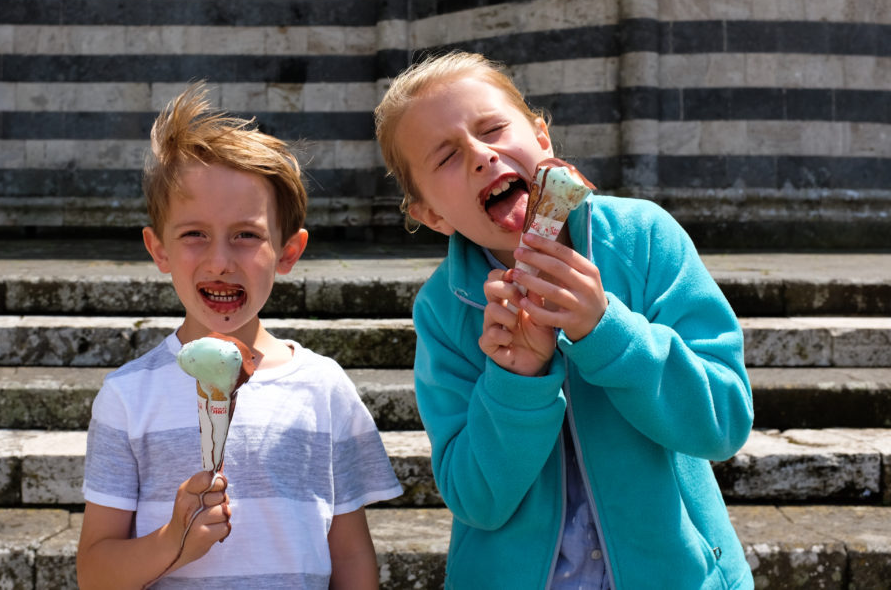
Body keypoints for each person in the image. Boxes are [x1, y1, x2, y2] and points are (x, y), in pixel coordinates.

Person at [374, 51, 754, 589]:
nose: (482, 156)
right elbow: (475, 498)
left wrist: (605, 330)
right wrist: (515, 379)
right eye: (447, 157)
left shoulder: (643, 240)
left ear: (542, 139)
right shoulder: (443, 311)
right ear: (431, 215)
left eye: (493, 129)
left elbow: (724, 421)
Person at [78, 82, 403, 589]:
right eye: (193, 235)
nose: (220, 261)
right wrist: (171, 543)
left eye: (246, 235)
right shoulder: (127, 397)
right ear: (158, 249)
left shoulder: (324, 389)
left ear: (288, 252)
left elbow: (353, 556)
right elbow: (95, 573)